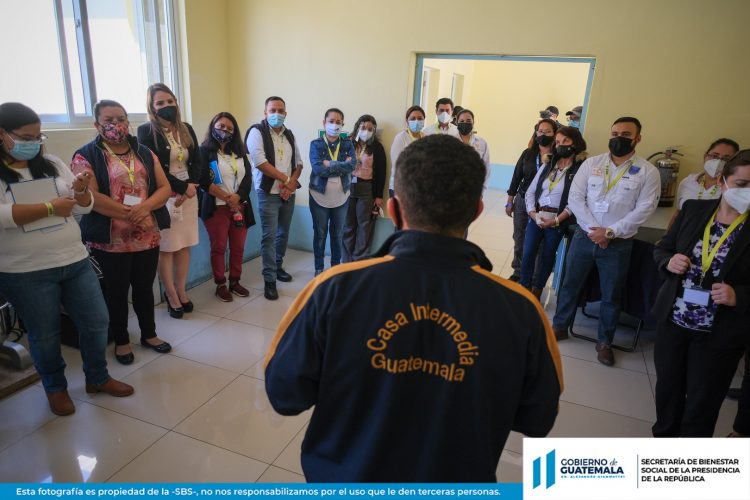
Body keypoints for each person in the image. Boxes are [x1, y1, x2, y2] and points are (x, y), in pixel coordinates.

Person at [265, 134, 562, 482]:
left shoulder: (333, 289)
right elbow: (538, 418)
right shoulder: (522, 310)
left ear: (393, 210)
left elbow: (285, 394)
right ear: (477, 212)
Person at [0, 102, 133, 416]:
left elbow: (81, 207)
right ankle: (55, 388)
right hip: (26, 270)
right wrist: (49, 208)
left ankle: (97, 377)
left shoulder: (51, 163)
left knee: (97, 321)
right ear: (3, 135)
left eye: (38, 136)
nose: (34, 143)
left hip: (74, 259)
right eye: (26, 137)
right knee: (45, 334)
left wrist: (82, 191)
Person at [651, 150, 750, 437]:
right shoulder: (694, 210)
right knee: (668, 391)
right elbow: (663, 248)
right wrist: (668, 261)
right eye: (742, 184)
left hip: (718, 333)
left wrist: (738, 295)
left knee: (701, 403)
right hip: (674, 322)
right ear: (722, 182)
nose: (747, 192)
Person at [552, 117, 661, 366]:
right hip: (584, 237)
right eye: (615, 133)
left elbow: (645, 209)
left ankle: (604, 342)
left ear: (637, 138)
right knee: (570, 284)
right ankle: (560, 326)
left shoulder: (648, 171)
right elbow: (575, 198)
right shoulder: (592, 164)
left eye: (626, 134)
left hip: (618, 243)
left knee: (612, 294)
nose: (618, 138)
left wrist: (610, 232)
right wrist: (595, 231)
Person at [72, 100, 172, 365]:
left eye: (121, 119)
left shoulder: (144, 152)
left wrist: (145, 208)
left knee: (144, 288)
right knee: (115, 292)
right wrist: (131, 214)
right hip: (110, 239)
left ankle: (149, 334)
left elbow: (164, 188)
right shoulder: (85, 155)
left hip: (147, 234)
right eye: (109, 120)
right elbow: (91, 197)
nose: (116, 125)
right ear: (97, 125)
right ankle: (122, 340)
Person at [137, 83, 202, 319]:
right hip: (165, 197)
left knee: (184, 245)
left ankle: (181, 289)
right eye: (160, 103)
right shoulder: (146, 131)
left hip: (189, 196)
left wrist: (190, 186)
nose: (167, 106)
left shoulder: (186, 128)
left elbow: (197, 160)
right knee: (167, 248)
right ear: (152, 107)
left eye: (170, 101)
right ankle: (171, 295)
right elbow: (152, 167)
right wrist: (181, 188)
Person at [245, 96, 304, 301]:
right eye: (272, 110)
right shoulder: (256, 132)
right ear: (265, 113)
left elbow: (299, 163)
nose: (276, 114)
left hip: (288, 193)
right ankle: (269, 280)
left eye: (280, 110)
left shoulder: (289, 134)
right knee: (269, 237)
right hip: (268, 192)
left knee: (283, 233)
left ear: (285, 113)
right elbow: (260, 162)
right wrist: (286, 180)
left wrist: (291, 183)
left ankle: (278, 267)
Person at [521, 126, 588, 298]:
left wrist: (557, 220)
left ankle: (537, 290)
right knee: (528, 253)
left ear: (575, 143)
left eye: (566, 141)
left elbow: (576, 200)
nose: (561, 145)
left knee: (547, 256)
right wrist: (532, 213)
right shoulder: (549, 164)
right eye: (557, 142)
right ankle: (523, 289)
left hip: (558, 220)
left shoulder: (580, 168)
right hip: (537, 216)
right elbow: (530, 191)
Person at [198, 112, 256, 302]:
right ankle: (220, 284)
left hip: (240, 207)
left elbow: (248, 178)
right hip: (216, 207)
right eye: (221, 126)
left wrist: (238, 197)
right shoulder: (204, 151)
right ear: (213, 126)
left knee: (238, 247)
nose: (225, 130)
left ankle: (235, 281)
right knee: (219, 247)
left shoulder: (239, 152)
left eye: (230, 128)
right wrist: (227, 198)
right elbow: (203, 180)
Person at [506, 119, 558, 281]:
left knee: (539, 242)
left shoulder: (558, 157)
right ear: (536, 133)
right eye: (540, 131)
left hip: (544, 205)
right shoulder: (528, 154)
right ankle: (518, 272)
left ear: (554, 134)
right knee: (519, 237)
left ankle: (534, 276)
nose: (543, 134)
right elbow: (516, 177)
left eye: (548, 131)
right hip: (523, 202)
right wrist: (510, 201)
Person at [308, 108, 356, 276]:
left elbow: (352, 166)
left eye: (338, 122)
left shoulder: (348, 144)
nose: (334, 125)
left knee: (337, 235)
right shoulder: (315, 144)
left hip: (342, 197)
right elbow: (318, 169)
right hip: (318, 196)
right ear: (324, 123)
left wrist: (329, 163)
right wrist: (342, 165)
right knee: (320, 234)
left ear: (342, 124)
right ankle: (319, 268)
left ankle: (336, 268)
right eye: (331, 121)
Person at [342, 114, 385, 262]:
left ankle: (359, 259)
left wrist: (378, 196)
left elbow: (381, 172)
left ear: (374, 131)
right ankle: (346, 259)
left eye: (370, 129)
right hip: (347, 187)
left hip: (366, 188)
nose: (366, 131)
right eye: (363, 127)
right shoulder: (347, 143)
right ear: (357, 127)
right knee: (348, 224)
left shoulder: (377, 147)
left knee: (365, 225)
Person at [675, 138, 740, 210]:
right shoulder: (687, 182)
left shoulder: (734, 189)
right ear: (705, 157)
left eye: (726, 159)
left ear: (734, 163)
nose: (718, 162)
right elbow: (679, 212)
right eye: (714, 156)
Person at [389, 105, 425, 197]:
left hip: (418, 186)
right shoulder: (401, 137)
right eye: (413, 118)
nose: (416, 121)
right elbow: (397, 163)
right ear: (407, 121)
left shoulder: (425, 137)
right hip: (401, 186)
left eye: (420, 118)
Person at [455, 109, 490, 188]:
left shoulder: (482, 143)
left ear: (473, 122)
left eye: (468, 121)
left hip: (474, 186)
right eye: (462, 121)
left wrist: (482, 189)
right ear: (457, 123)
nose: (465, 123)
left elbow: (486, 167)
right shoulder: (450, 141)